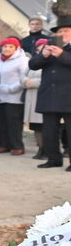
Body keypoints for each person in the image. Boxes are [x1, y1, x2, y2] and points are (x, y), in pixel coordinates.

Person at [31, 19, 71, 170]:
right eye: (59, 32)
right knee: (49, 132)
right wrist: (44, 55)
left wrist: (61, 54)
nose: (61, 34)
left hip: (68, 96)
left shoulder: (63, 51)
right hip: (50, 96)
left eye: (66, 31)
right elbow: (33, 65)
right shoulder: (49, 48)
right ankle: (54, 159)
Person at [0, 37, 29, 155]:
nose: (7, 49)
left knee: (14, 122)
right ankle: (4, 144)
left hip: (14, 96)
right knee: (1, 121)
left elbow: (24, 77)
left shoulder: (22, 60)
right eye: (5, 46)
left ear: (16, 48)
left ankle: (17, 146)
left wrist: (11, 88)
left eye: (10, 47)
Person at [23, 38, 48, 159]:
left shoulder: (49, 61)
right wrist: (24, 81)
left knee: (45, 126)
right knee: (35, 126)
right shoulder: (33, 61)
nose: (40, 50)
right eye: (38, 48)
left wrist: (33, 83)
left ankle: (46, 149)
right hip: (31, 97)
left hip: (43, 95)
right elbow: (23, 74)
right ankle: (40, 148)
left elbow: (48, 79)